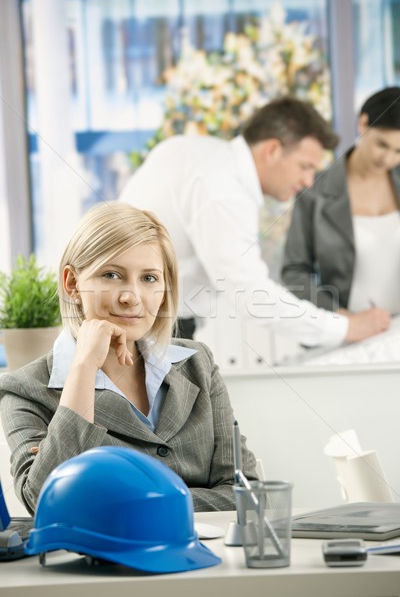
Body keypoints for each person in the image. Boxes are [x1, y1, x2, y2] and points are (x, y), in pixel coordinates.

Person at [0, 202, 258, 516]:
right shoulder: (24, 390)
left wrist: (122, 503)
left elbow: (247, 494)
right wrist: (82, 369)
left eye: (149, 278)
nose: (131, 296)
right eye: (111, 275)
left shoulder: (197, 364)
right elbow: (46, 502)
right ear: (72, 284)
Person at [119, 96, 390, 347]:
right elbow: (250, 295)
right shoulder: (223, 186)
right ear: (272, 150)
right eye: (305, 166)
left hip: (134, 322)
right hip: (146, 332)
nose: (309, 181)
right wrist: (344, 328)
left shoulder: (193, 151)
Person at [282, 87, 400, 315]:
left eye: (399, 151)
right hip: (350, 333)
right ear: (363, 123)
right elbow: (294, 271)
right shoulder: (314, 190)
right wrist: (338, 317)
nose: (388, 159)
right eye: (382, 145)